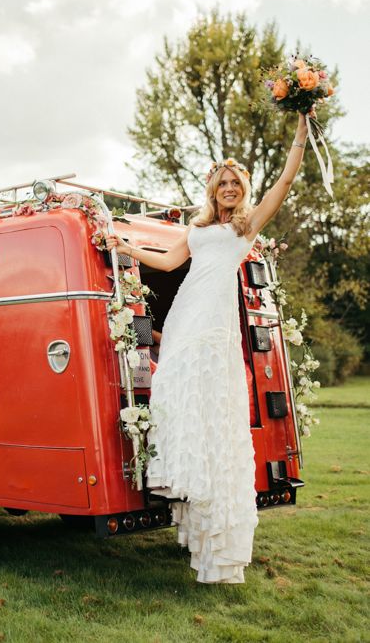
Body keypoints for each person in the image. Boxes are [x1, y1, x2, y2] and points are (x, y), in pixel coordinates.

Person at [106, 113, 309, 584]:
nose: (230, 189)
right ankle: (186, 483)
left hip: (216, 328)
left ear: (244, 189)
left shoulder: (247, 227)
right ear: (213, 189)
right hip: (183, 321)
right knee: (179, 399)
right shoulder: (195, 226)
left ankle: (218, 526)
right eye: (223, 183)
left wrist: (299, 137)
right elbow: (170, 260)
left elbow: (284, 182)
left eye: (236, 183)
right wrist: (126, 247)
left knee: (216, 414)